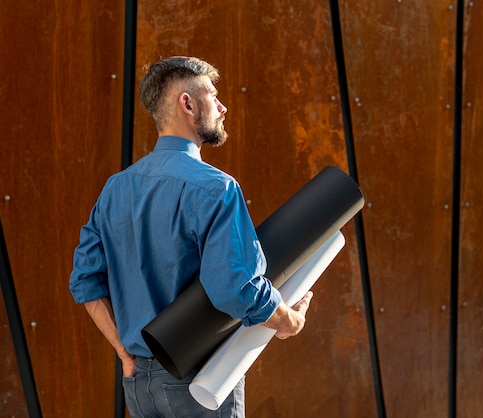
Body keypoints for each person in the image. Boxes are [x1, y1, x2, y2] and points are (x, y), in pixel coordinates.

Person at [69, 56, 313, 417]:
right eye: (213, 96)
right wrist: (288, 321)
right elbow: (236, 288)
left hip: (138, 384)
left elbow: (85, 282)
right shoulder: (217, 188)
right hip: (200, 380)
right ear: (188, 104)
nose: (222, 106)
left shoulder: (115, 189)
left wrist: (124, 352)